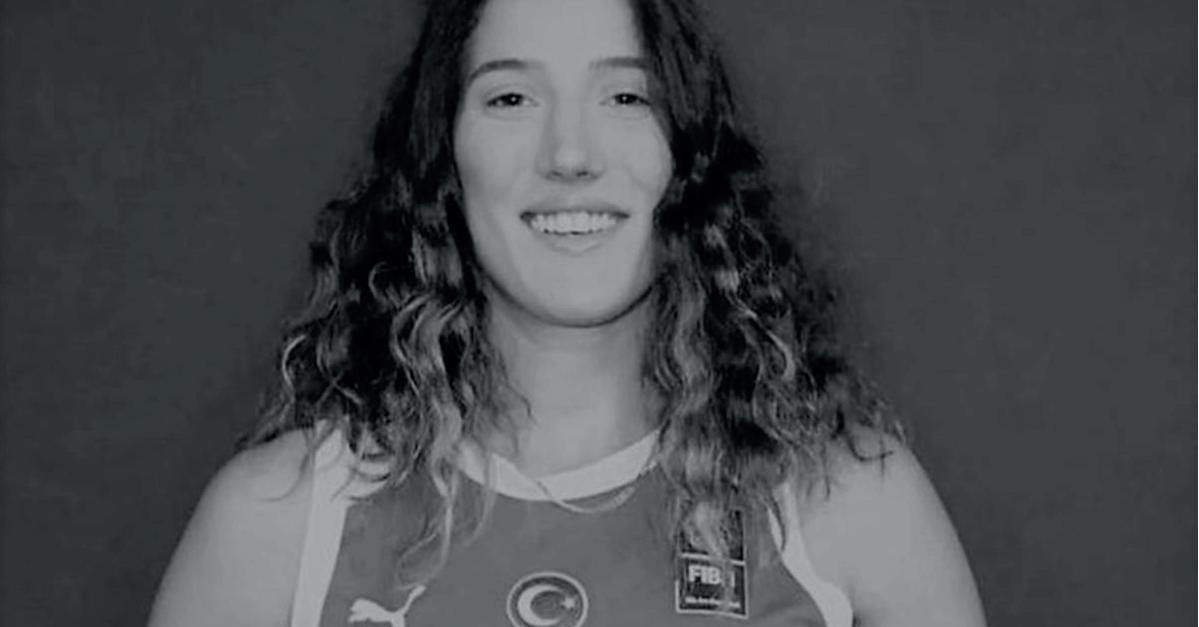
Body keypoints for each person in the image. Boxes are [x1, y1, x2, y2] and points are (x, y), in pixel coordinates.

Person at [148, 0, 987, 625]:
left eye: (626, 96)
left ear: (686, 149)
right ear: (443, 154)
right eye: (511, 98)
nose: (571, 154)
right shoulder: (279, 525)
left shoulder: (847, 504)